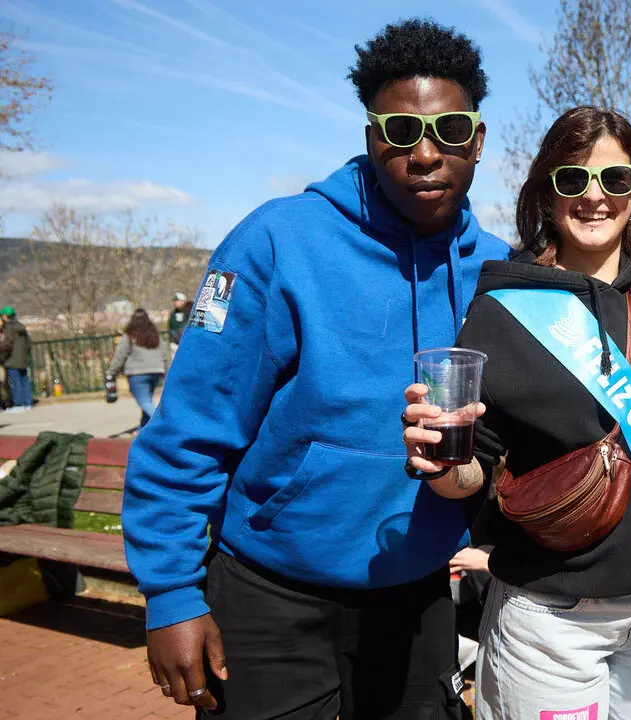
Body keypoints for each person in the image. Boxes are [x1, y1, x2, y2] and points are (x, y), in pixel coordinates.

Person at [121, 19, 510, 718]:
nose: (425, 153)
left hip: (416, 591)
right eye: (399, 131)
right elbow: (192, 424)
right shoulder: (278, 240)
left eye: (450, 130)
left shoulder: (497, 271)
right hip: (273, 593)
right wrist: (172, 591)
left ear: (477, 141)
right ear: (370, 138)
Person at [403, 106, 631, 720]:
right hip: (551, 622)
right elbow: (469, 475)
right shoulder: (503, 307)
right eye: (572, 180)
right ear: (546, 192)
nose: (595, 197)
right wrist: (439, 461)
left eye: (616, 180)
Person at [106, 309, 169, 429]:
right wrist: (167, 370)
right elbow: (164, 353)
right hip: (156, 371)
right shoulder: (155, 335)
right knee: (147, 400)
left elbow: (120, 356)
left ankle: (164, 425)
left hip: (137, 373)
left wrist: (110, 373)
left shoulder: (129, 335)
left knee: (145, 402)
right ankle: (143, 428)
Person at [0, 307, 32, 413]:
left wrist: (2, 356)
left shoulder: (9, 327)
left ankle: (18, 404)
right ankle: (27, 403)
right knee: (24, 380)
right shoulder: (20, 327)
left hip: (12, 359)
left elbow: (7, 344)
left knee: (15, 382)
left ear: (5, 316)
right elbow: (28, 343)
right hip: (22, 358)